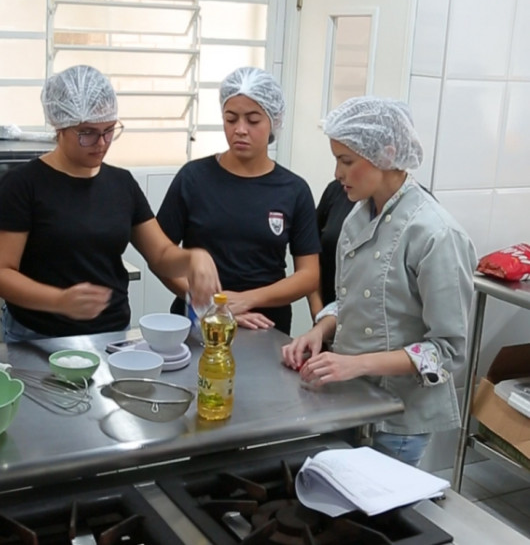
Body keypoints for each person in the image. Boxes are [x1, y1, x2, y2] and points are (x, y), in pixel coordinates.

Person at [282, 96, 478, 467]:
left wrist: (357, 364)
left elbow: (448, 351)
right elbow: (353, 300)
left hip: (399, 416)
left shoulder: (435, 234)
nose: (337, 174)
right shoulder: (357, 217)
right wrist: (321, 330)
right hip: (348, 398)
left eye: (346, 161)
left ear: (386, 155)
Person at [0, 65, 220, 341]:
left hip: (112, 334)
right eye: (87, 132)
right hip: (37, 336)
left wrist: (193, 258)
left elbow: (160, 256)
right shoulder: (23, 185)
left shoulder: (121, 184)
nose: (101, 143)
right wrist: (59, 300)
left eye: (109, 130)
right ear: (59, 125)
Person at [156, 67, 320, 334]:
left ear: (274, 122)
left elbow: (308, 275)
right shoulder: (194, 178)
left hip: (266, 327)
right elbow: (161, 256)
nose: (240, 130)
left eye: (253, 120)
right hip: (199, 322)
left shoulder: (293, 190)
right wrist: (212, 305)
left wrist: (247, 300)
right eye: (231, 119)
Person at [307, 180, 355, 319]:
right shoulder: (336, 191)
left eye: (347, 161)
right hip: (328, 323)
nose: (338, 172)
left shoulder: (417, 211)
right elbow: (311, 254)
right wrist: (319, 316)